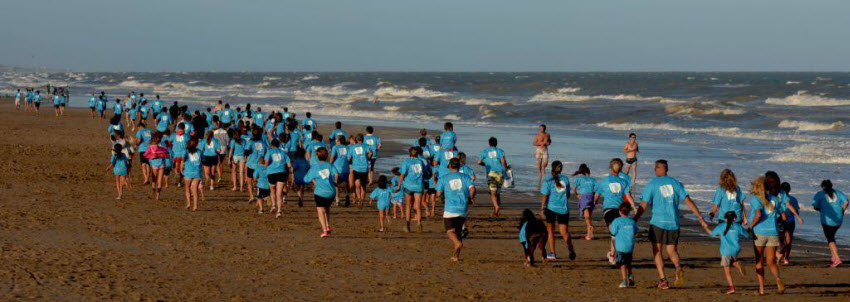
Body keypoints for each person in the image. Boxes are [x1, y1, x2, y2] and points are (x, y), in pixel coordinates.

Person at [633, 160, 709, 290]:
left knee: (657, 251)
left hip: (658, 222)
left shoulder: (652, 184)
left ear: (658, 169)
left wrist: (634, 220)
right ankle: (678, 268)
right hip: (673, 222)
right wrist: (700, 217)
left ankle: (663, 280)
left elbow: (643, 205)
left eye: (655, 168)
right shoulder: (676, 183)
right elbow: (688, 201)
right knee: (671, 250)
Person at [746, 176, 785, 295]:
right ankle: (778, 278)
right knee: (771, 261)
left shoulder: (755, 199)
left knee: (759, 261)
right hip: (773, 232)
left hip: (759, 232)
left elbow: (758, 215)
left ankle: (762, 289)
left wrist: (750, 226)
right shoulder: (774, 199)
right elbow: (780, 216)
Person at [593, 158, 634, 264]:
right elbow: (628, 196)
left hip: (609, 210)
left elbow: (596, 196)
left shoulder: (603, 181)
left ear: (610, 168)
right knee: (617, 234)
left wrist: (595, 202)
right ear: (620, 168)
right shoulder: (624, 181)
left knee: (613, 234)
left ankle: (612, 255)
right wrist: (634, 207)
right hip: (621, 210)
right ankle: (614, 253)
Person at [435, 158, 475, 261]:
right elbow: (472, 189)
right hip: (463, 208)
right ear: (459, 167)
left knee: (449, 231)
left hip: (450, 208)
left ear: (449, 166)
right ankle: (456, 256)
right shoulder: (466, 177)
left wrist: (441, 198)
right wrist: (470, 198)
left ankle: (457, 243)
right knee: (458, 231)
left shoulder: (444, 178)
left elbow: (438, 193)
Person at [539, 160, 576, 261]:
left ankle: (553, 253)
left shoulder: (547, 180)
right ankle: (571, 248)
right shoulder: (566, 179)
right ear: (561, 169)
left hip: (551, 208)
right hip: (564, 208)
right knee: (564, 231)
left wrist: (542, 209)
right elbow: (568, 194)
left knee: (550, 231)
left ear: (552, 167)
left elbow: (544, 196)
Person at [707, 211, 748, 295]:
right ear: (735, 218)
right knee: (731, 261)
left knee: (727, 271)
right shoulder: (738, 226)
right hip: (736, 249)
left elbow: (711, 234)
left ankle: (732, 288)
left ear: (725, 218)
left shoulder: (721, 226)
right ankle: (736, 264)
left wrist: (705, 227)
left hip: (726, 250)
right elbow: (747, 235)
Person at [812, 179, 848, 268]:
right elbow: (846, 202)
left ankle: (837, 258)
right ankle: (833, 257)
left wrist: (822, 210)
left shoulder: (820, 194)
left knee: (830, 239)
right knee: (831, 237)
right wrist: (842, 210)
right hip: (838, 219)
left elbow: (815, 206)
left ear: (822, 187)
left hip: (827, 220)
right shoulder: (838, 192)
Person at [303, 147, 339, 237]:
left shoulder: (315, 167)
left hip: (320, 193)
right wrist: (335, 182)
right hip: (331, 192)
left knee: (320, 210)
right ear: (326, 156)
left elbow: (306, 179)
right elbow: (336, 174)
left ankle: (324, 230)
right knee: (327, 208)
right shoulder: (330, 165)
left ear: (317, 156)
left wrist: (314, 180)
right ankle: (327, 225)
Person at [478, 137, 508, 217]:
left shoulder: (485, 151)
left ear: (489, 143)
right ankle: (496, 212)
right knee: (497, 193)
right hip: (500, 174)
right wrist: (506, 169)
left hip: (491, 173)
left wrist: (484, 164)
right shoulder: (500, 151)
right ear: (496, 143)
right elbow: (503, 162)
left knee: (492, 192)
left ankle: (496, 207)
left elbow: (479, 161)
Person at [610, 202, 638, 288]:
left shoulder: (616, 221)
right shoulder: (632, 221)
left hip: (621, 246)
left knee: (622, 264)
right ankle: (630, 275)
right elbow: (635, 231)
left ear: (619, 211)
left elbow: (613, 232)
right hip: (630, 245)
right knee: (628, 262)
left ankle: (624, 280)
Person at [399, 147, 425, 233]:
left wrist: (399, 185)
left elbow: (402, 174)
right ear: (417, 154)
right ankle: (419, 223)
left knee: (408, 206)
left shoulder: (406, 161)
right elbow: (424, 173)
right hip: (418, 185)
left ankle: (407, 226)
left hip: (409, 186)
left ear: (409, 153)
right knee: (418, 206)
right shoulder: (420, 161)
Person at [265, 139, 292, 218]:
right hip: (281, 172)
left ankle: (273, 205)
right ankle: (279, 210)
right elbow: (289, 165)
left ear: (272, 145)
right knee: (279, 193)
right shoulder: (283, 152)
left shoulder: (269, 152)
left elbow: (266, 163)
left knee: (272, 189)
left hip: (271, 172)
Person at [779, 182, 803, 265]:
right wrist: (798, 217)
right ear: (789, 190)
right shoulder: (793, 199)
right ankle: (786, 258)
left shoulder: (778, 198)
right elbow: (796, 211)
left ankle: (781, 254)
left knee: (780, 240)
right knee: (788, 241)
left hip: (780, 221)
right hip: (790, 221)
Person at [347, 134, 372, 207]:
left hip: (356, 168)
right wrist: (368, 157)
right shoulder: (366, 146)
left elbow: (348, 158)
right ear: (363, 139)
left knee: (357, 184)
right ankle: (362, 200)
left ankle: (359, 198)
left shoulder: (352, 147)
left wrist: (349, 161)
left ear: (356, 140)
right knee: (363, 186)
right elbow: (370, 153)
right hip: (364, 168)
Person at [572, 164, 596, 240]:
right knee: (589, 214)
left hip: (584, 196)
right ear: (588, 172)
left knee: (586, 214)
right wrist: (595, 197)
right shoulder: (593, 179)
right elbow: (596, 189)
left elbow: (574, 189)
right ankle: (589, 233)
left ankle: (589, 227)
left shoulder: (579, 179)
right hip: (591, 196)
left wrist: (577, 195)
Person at [144, 133, 170, 201]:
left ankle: (152, 193)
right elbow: (167, 155)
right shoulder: (164, 145)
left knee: (154, 180)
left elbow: (146, 155)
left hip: (154, 164)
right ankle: (157, 196)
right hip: (162, 164)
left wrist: (151, 157)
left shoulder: (151, 146)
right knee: (160, 181)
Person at [245, 127, 266, 202]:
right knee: (259, 181)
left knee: (249, 181)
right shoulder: (263, 143)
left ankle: (251, 196)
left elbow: (246, 152)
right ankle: (258, 196)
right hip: (260, 165)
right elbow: (265, 154)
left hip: (251, 164)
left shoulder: (250, 142)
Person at [183, 139, 204, 210]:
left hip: (188, 172)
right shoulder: (199, 152)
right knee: (195, 190)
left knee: (187, 188)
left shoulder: (186, 151)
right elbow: (203, 160)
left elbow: (183, 160)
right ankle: (195, 206)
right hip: (197, 172)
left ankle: (189, 203)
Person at [329, 135, 351, 206]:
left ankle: (337, 200)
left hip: (337, 169)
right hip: (345, 168)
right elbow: (349, 158)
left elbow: (332, 157)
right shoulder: (347, 147)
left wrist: (329, 164)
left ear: (338, 141)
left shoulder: (335, 147)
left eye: (336, 140)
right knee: (346, 184)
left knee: (336, 184)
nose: (335, 141)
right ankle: (347, 196)